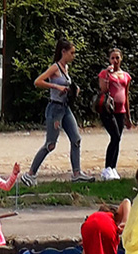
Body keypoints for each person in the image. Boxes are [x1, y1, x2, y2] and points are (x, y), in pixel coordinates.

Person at [25, 38, 90, 185]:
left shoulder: (66, 69)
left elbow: (66, 86)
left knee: (76, 139)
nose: (73, 56)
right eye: (71, 53)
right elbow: (38, 81)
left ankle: (77, 173)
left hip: (65, 108)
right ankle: (30, 174)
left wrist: (73, 90)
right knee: (50, 144)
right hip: (55, 109)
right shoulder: (55, 68)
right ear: (63, 52)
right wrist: (56, 87)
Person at [97, 48, 132, 180]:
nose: (115, 60)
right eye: (112, 58)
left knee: (117, 139)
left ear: (121, 58)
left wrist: (128, 117)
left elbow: (126, 95)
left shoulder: (126, 76)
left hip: (120, 111)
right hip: (108, 110)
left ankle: (113, 167)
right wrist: (107, 75)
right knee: (115, 136)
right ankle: (107, 168)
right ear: (109, 59)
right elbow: (103, 90)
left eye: (117, 58)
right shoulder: (104, 74)